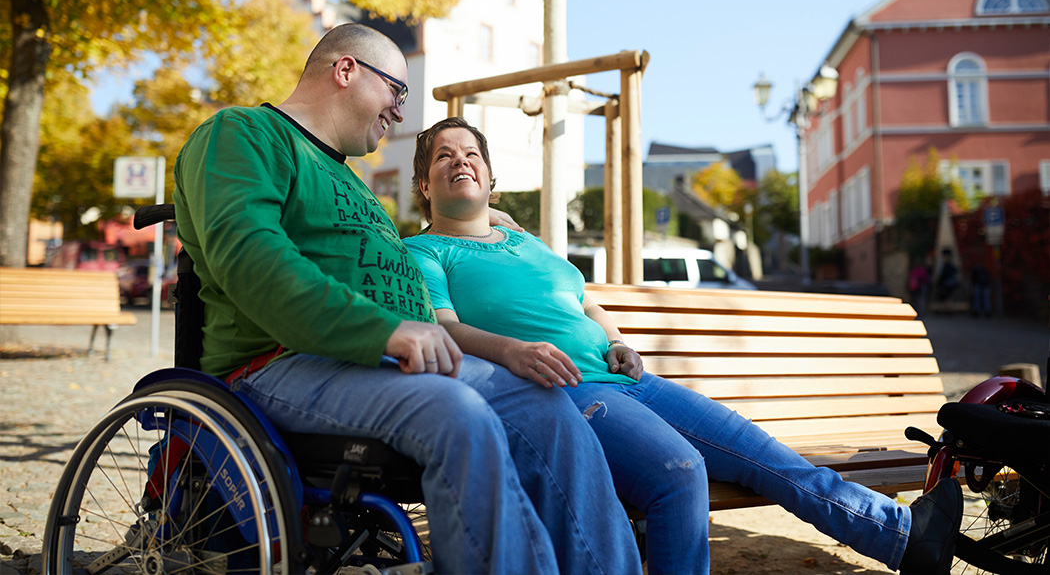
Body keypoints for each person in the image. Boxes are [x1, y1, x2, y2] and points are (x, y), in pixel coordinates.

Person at [173, 25, 641, 575]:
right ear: (346, 71)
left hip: (387, 365)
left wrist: (492, 222)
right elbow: (251, 260)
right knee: (456, 413)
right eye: (396, 91)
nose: (399, 112)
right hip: (278, 365)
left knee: (546, 407)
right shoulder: (244, 134)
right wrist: (386, 332)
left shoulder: (354, 186)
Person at [403, 117, 965, 575]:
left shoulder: (527, 242)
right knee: (679, 473)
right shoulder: (423, 252)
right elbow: (444, 326)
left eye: (471, 154)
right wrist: (511, 351)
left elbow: (583, 305)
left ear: (492, 180)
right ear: (424, 186)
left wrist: (619, 339)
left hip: (626, 379)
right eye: (444, 157)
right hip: (562, 395)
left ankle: (900, 538)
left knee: (757, 450)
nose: (460, 161)